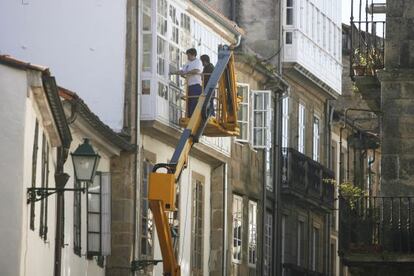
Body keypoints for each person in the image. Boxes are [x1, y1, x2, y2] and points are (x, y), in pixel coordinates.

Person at [170, 48, 203, 117]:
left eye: (189, 55)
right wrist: (173, 72)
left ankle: (193, 117)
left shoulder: (198, 62)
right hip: (190, 86)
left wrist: (187, 72)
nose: (187, 57)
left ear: (193, 55)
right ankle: (190, 116)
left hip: (196, 86)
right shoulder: (188, 63)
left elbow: (196, 71)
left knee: (194, 102)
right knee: (189, 103)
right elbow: (182, 71)